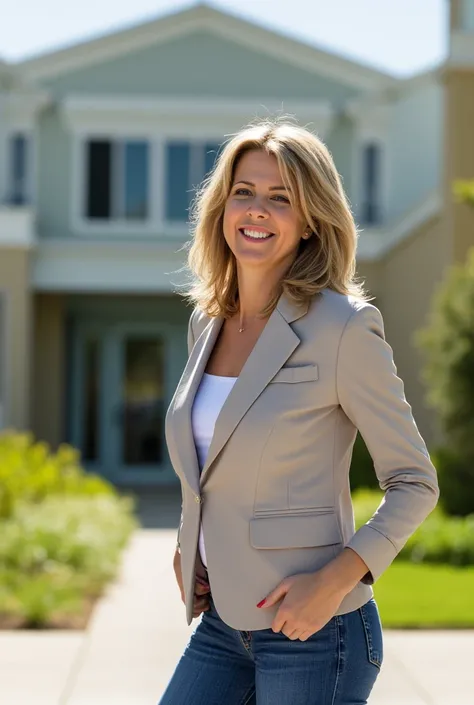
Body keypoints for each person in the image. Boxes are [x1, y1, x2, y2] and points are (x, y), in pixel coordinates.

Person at [160, 118, 439, 705]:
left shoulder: (343, 326)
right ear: (222, 207)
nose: (257, 209)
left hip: (318, 631)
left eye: (280, 198)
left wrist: (332, 583)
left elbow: (414, 482)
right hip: (223, 623)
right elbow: (215, 459)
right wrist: (196, 541)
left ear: (310, 218)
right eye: (245, 192)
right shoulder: (205, 324)